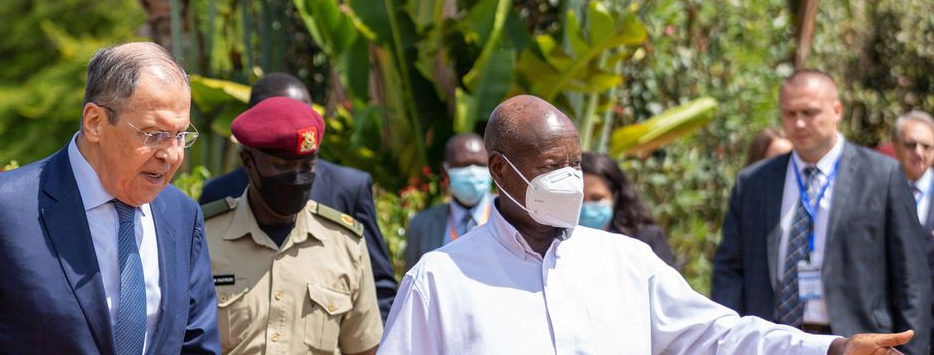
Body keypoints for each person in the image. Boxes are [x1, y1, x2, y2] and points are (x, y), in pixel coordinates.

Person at [379, 94, 917, 354]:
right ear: (501, 170)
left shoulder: (624, 262)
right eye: (551, 167)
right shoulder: (441, 282)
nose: (569, 179)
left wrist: (830, 348)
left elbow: (721, 333)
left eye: (574, 163)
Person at [0, 42, 220, 354]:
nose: (171, 154)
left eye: (180, 136)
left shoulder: (182, 215)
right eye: (154, 134)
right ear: (95, 123)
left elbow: (196, 347)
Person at [712, 70, 931, 353]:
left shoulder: (881, 176)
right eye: (789, 114)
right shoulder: (754, 183)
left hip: (856, 343)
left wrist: (910, 349)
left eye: (809, 112)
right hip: (775, 341)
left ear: (836, 110)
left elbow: (912, 278)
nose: (799, 123)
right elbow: (730, 269)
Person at [199, 72, 397, 320]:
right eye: (281, 115)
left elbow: (380, 288)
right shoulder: (219, 194)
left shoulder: (348, 188)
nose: (296, 124)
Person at [403, 133, 495, 272]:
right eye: (463, 165)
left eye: (479, 164)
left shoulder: (511, 216)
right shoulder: (422, 225)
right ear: (445, 171)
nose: (472, 172)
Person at [580, 151, 675, 266]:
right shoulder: (557, 243)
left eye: (597, 198)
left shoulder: (645, 239)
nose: (586, 206)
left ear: (615, 196)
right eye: (580, 199)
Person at [892, 111, 934, 230]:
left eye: (926, 146)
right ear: (895, 147)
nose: (919, 153)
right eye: (911, 145)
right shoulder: (880, 191)